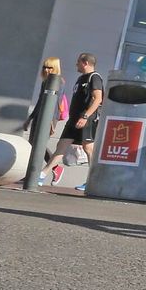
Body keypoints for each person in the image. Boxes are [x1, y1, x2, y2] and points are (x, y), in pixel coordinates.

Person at [39, 52, 105, 189]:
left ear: (85, 63)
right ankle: (42, 174)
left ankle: (93, 181)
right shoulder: (81, 78)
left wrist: (85, 116)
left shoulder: (94, 77)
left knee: (88, 148)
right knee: (61, 146)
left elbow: (98, 98)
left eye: (78, 62)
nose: (76, 64)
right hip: (74, 120)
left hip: (86, 120)